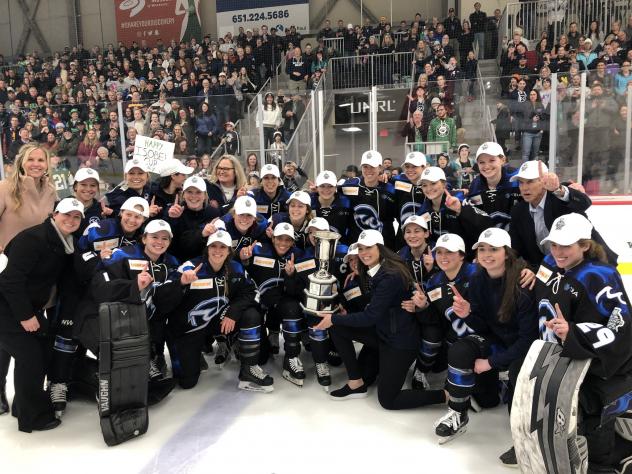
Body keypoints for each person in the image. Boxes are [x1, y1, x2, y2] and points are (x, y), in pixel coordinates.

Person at [535, 213, 632, 473]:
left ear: (585, 245)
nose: (557, 251)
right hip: (570, 363)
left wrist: (575, 334)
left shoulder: (599, 275)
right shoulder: (553, 266)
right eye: (554, 244)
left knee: (592, 422)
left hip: (602, 371)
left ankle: (612, 460)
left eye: (565, 245)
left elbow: (620, 322)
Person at [432, 228, 537, 451]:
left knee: (513, 396)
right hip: (496, 341)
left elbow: (528, 340)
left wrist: (490, 363)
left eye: (493, 249)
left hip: (522, 349)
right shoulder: (478, 278)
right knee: (461, 351)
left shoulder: (522, 283)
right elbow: (482, 325)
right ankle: (458, 413)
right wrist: (468, 313)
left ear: (507, 253)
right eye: (482, 249)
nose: (486, 254)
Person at [314, 230, 442, 410]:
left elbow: (370, 316)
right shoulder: (375, 269)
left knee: (388, 400)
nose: (364, 253)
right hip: (383, 332)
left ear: (380, 248)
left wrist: (333, 318)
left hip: (399, 342)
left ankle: (446, 395)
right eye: (361, 248)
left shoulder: (390, 275)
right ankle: (356, 383)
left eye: (369, 248)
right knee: (338, 327)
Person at [0, 198, 84, 432]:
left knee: (45, 349)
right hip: (7, 307)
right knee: (32, 357)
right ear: (54, 214)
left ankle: (22, 406)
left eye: (76, 217)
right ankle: (32, 418)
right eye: (66, 215)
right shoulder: (34, 239)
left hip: (29, 307)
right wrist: (25, 316)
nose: (71, 220)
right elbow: (9, 281)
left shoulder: (66, 242)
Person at [168, 230, 273, 391]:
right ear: (207, 248)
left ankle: (248, 369)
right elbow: (165, 297)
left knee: (251, 315)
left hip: (219, 319)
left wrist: (233, 312)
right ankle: (194, 353)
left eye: (222, 247)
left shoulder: (235, 268)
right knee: (186, 382)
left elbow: (252, 292)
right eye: (214, 246)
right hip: (190, 327)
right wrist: (181, 283)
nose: (218, 251)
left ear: (229, 250)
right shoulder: (190, 267)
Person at [0, 143, 57, 415]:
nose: (36, 164)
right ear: (22, 162)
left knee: (25, 341)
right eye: (31, 159)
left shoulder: (50, 191)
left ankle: (25, 397)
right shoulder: (4, 189)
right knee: (5, 340)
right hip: (8, 273)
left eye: (41, 160)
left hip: (35, 280)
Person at [508, 161, 618, 267]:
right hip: (553, 268)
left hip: (592, 263)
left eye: (530, 181)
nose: (524, 187)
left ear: (544, 181)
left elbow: (585, 203)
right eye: (521, 182)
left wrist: (558, 189)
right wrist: (528, 269)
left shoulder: (560, 195)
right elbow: (518, 250)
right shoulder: (518, 211)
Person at [340, 150, 397, 248]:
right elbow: (331, 192)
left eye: (372, 167)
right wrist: (315, 193)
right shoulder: (351, 185)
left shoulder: (389, 189)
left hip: (383, 245)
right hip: (357, 245)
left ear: (380, 168)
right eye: (365, 167)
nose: (368, 170)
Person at [465, 142, 522, 229]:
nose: (486, 166)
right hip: (488, 238)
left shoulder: (517, 179)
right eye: (481, 162)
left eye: (492, 160)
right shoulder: (476, 185)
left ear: (503, 160)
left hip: (516, 237)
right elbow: (475, 214)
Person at [166, 175, 222, 262]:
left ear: (204, 195)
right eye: (189, 192)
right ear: (183, 194)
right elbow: (170, 244)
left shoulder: (213, 213)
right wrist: (172, 220)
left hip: (205, 262)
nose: (194, 196)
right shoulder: (173, 211)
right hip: (179, 261)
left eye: (198, 192)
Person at [309, 170, 352, 244]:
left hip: (340, 249)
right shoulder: (309, 202)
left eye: (330, 186)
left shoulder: (345, 202)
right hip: (315, 248)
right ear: (317, 187)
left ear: (336, 187)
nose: (326, 190)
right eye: (322, 186)